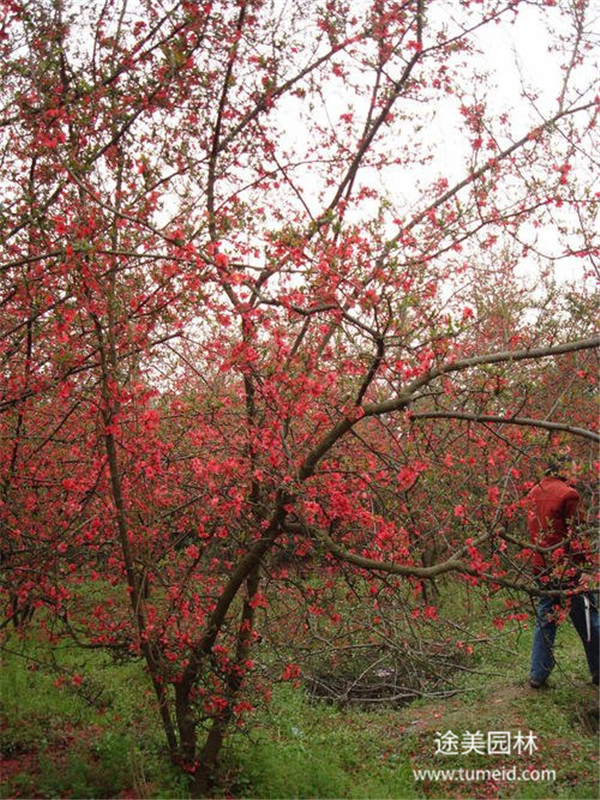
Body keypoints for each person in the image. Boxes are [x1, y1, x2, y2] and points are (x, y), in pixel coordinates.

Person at [526, 452, 599, 688]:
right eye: (574, 468)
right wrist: (586, 567)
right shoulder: (569, 494)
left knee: (546, 618)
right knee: (589, 617)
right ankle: (599, 670)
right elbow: (575, 536)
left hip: (541, 566)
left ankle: (538, 674)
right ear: (563, 469)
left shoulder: (534, 491)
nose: (576, 472)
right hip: (566, 569)